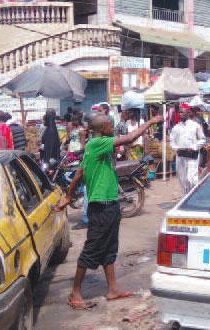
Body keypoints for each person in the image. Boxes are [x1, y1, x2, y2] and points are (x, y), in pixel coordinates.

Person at [55, 114, 163, 310]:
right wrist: (150, 122)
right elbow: (129, 139)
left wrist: (69, 196)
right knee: (92, 249)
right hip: (102, 206)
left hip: (111, 204)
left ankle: (113, 290)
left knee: (110, 248)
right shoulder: (98, 143)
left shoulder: (92, 146)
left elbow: (80, 173)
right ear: (103, 128)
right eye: (110, 125)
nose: (113, 128)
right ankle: (75, 293)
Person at [170, 104, 206, 195]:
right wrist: (177, 148)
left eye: (182, 112)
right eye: (179, 112)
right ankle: (185, 199)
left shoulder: (195, 125)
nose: (180, 114)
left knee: (191, 179)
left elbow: (203, 139)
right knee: (183, 180)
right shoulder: (176, 127)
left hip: (192, 157)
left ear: (188, 112)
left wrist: (194, 147)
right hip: (181, 156)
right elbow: (172, 142)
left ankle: (194, 197)